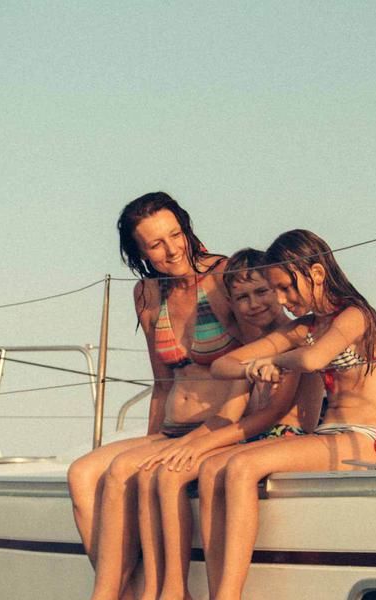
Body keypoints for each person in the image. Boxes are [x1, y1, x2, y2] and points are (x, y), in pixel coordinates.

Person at [68, 192, 257, 600]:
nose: (172, 250)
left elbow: (258, 358)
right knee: (81, 474)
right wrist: (150, 441)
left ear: (186, 228)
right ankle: (130, 590)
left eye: (176, 234)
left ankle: (121, 594)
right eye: (156, 244)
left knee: (122, 471)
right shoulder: (147, 294)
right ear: (139, 252)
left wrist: (220, 434)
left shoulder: (225, 277)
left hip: (217, 428)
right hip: (171, 428)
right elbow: (161, 382)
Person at [200, 229, 376, 600]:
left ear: (317, 274)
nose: (282, 300)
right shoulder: (308, 327)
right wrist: (252, 368)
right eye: (276, 291)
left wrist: (271, 361)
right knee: (213, 468)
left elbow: (313, 359)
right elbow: (223, 366)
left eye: (286, 288)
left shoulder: (355, 316)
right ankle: (219, 592)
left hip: (366, 443)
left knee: (242, 467)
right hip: (328, 439)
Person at [131, 249, 322, 600]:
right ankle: (176, 590)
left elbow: (272, 414)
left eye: (262, 292)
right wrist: (185, 445)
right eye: (242, 298)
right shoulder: (253, 348)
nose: (253, 304)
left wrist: (198, 446)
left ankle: (224, 592)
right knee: (160, 472)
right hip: (252, 436)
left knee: (209, 468)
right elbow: (231, 413)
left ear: (278, 293)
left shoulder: (294, 336)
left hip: (284, 434)